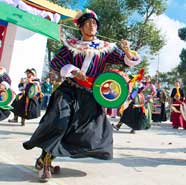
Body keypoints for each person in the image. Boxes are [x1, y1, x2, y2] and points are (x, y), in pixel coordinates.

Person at [22, 9, 140, 182]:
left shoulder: (105, 48)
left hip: (90, 94)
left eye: (94, 23)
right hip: (69, 89)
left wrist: (128, 50)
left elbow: (127, 61)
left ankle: (45, 158)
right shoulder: (71, 45)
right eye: (88, 23)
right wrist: (73, 70)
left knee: (89, 130)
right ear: (81, 27)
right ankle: (46, 161)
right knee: (59, 121)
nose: (92, 26)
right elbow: (56, 63)